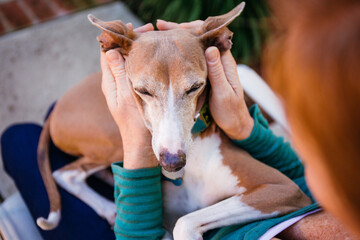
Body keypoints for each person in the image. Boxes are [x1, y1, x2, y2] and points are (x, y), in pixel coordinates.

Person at [101, 17, 359, 239]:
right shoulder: (340, 205)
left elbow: (301, 191)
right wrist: (244, 126)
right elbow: (301, 189)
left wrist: (136, 146)